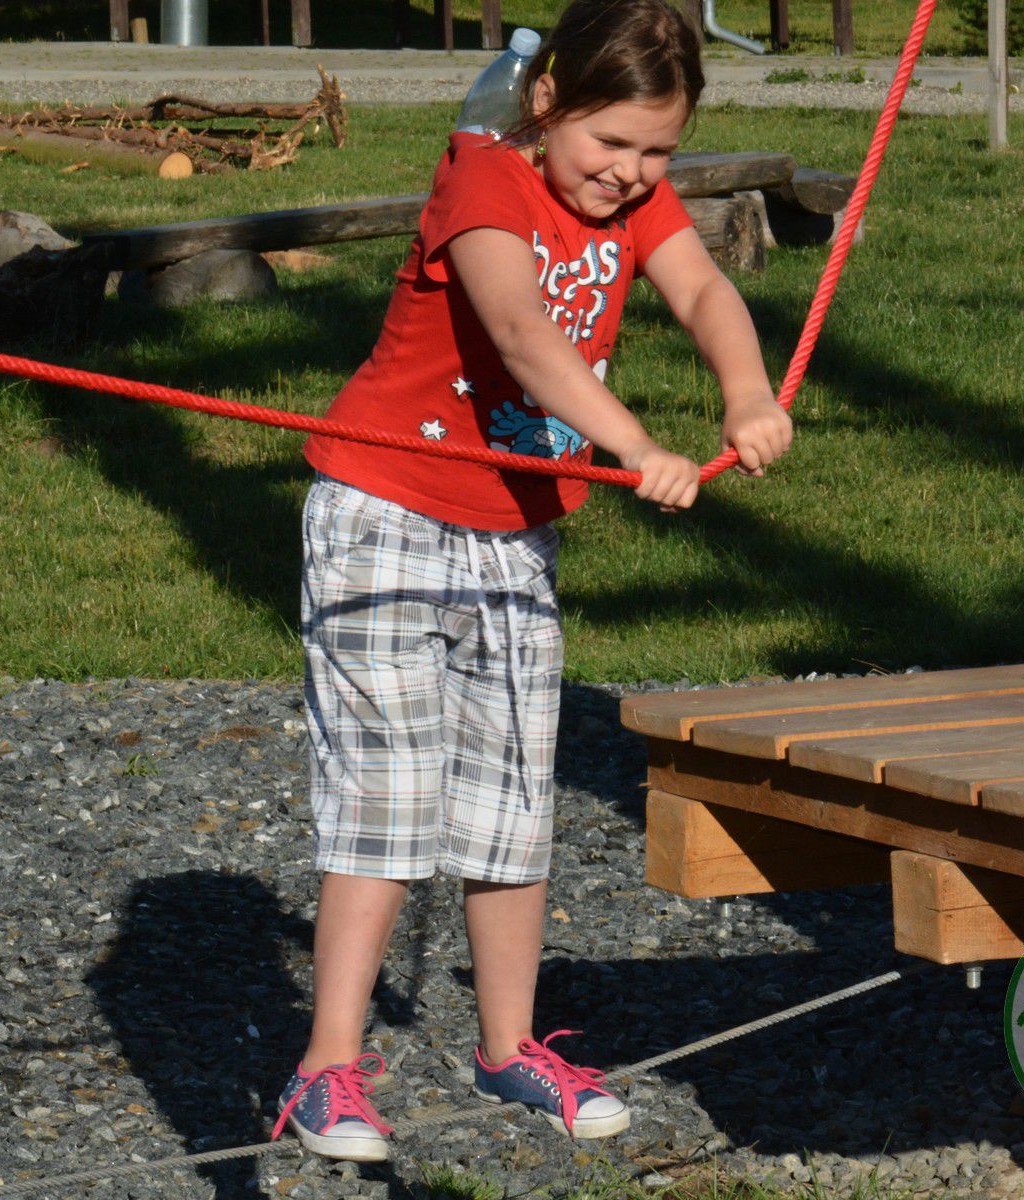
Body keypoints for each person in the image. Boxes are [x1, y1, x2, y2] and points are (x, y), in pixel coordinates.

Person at [275, 0, 792, 1163]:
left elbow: (704, 292)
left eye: (657, 151)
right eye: (611, 142)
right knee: (388, 796)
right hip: (385, 513)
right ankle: (326, 1068)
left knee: (511, 797)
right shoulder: (484, 180)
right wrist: (632, 442)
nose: (631, 173)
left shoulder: (639, 197)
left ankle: (508, 1047)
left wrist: (747, 393)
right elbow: (519, 332)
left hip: (513, 536)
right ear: (547, 99)